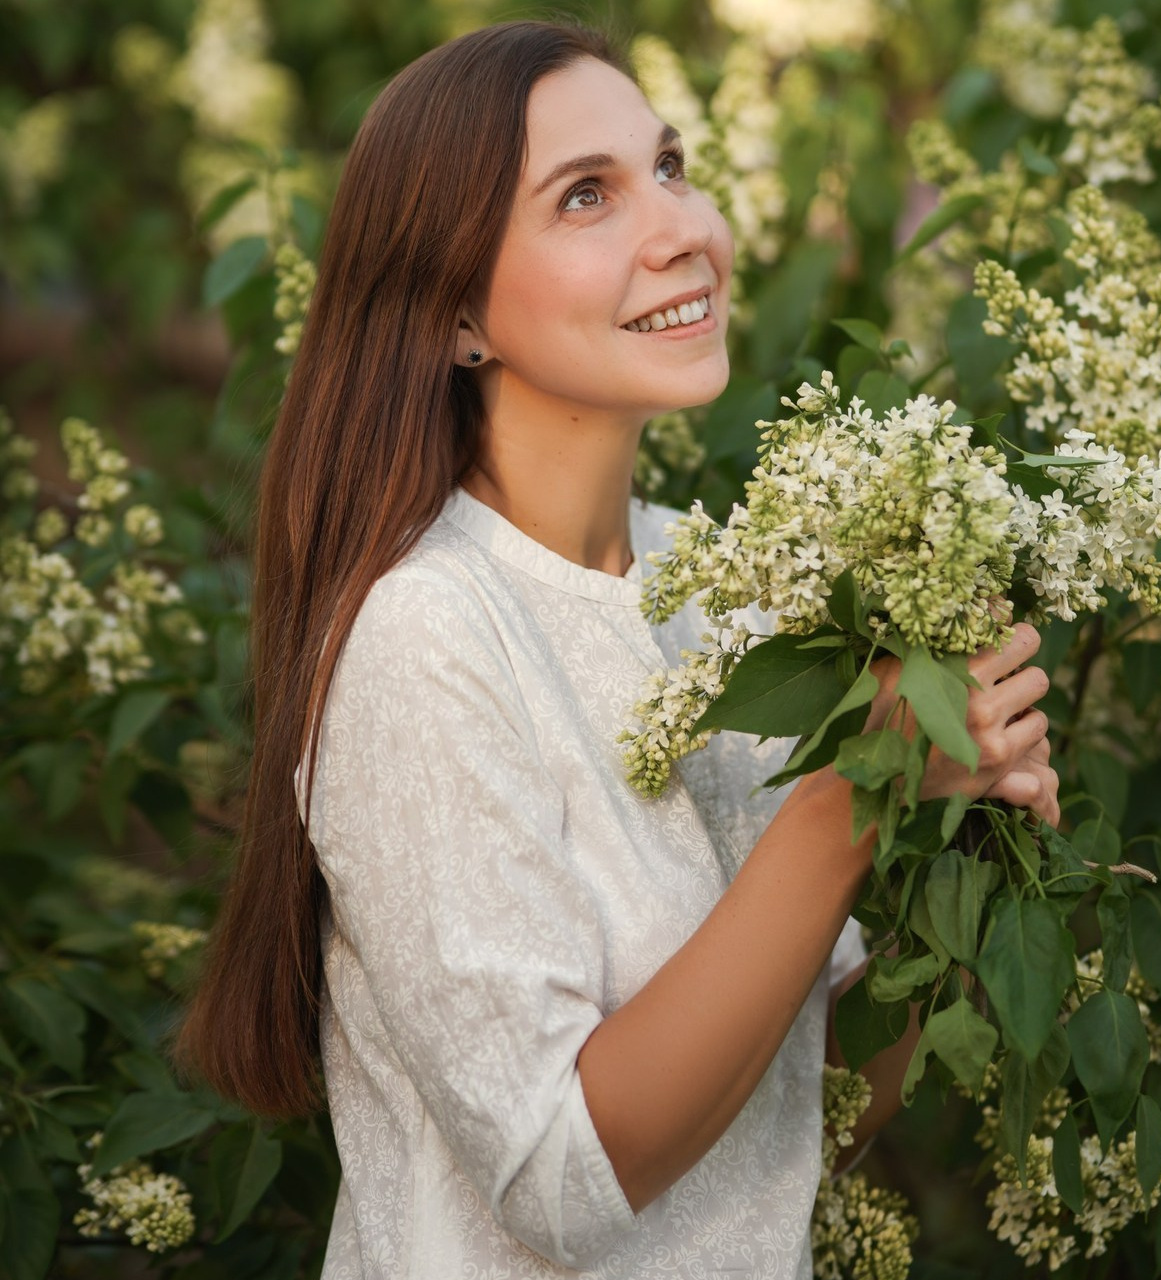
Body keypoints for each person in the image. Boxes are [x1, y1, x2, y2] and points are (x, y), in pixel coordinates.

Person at [179, 20, 1060, 1279]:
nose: (678, 226)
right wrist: (852, 798)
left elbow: (805, 1101)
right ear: (453, 315)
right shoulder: (425, 634)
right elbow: (561, 1180)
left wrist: (962, 841)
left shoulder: (722, 586)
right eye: (585, 195)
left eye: (669, 166)